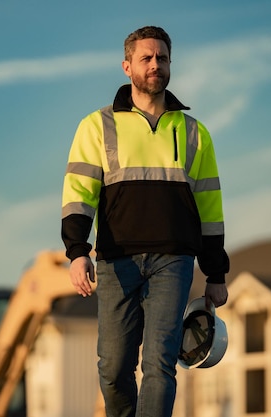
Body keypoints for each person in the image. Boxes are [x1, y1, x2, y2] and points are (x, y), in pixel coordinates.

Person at [61, 26, 230, 417]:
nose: (156, 64)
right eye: (147, 58)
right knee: (113, 366)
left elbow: (211, 208)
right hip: (116, 260)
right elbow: (78, 193)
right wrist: (76, 251)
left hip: (174, 260)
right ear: (127, 67)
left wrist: (216, 273)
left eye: (163, 58)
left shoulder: (194, 134)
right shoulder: (97, 126)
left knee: (159, 362)